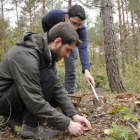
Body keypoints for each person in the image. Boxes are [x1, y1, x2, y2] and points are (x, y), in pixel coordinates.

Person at [0, 22, 91, 139]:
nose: (68, 55)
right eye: (68, 50)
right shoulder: (26, 56)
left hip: (12, 97)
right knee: (48, 76)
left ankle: (13, 118)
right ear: (57, 42)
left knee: (51, 85)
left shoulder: (46, 53)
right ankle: (30, 128)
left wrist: (74, 115)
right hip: (2, 99)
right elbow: (33, 100)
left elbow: (57, 88)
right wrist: (67, 123)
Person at [42, 5, 95, 94]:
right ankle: (47, 93)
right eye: (74, 23)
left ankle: (69, 95)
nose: (76, 28)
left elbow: (83, 48)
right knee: (47, 65)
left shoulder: (81, 30)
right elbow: (44, 21)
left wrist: (86, 70)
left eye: (79, 24)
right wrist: (49, 38)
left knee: (71, 69)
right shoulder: (55, 15)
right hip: (54, 40)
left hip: (70, 44)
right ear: (67, 17)